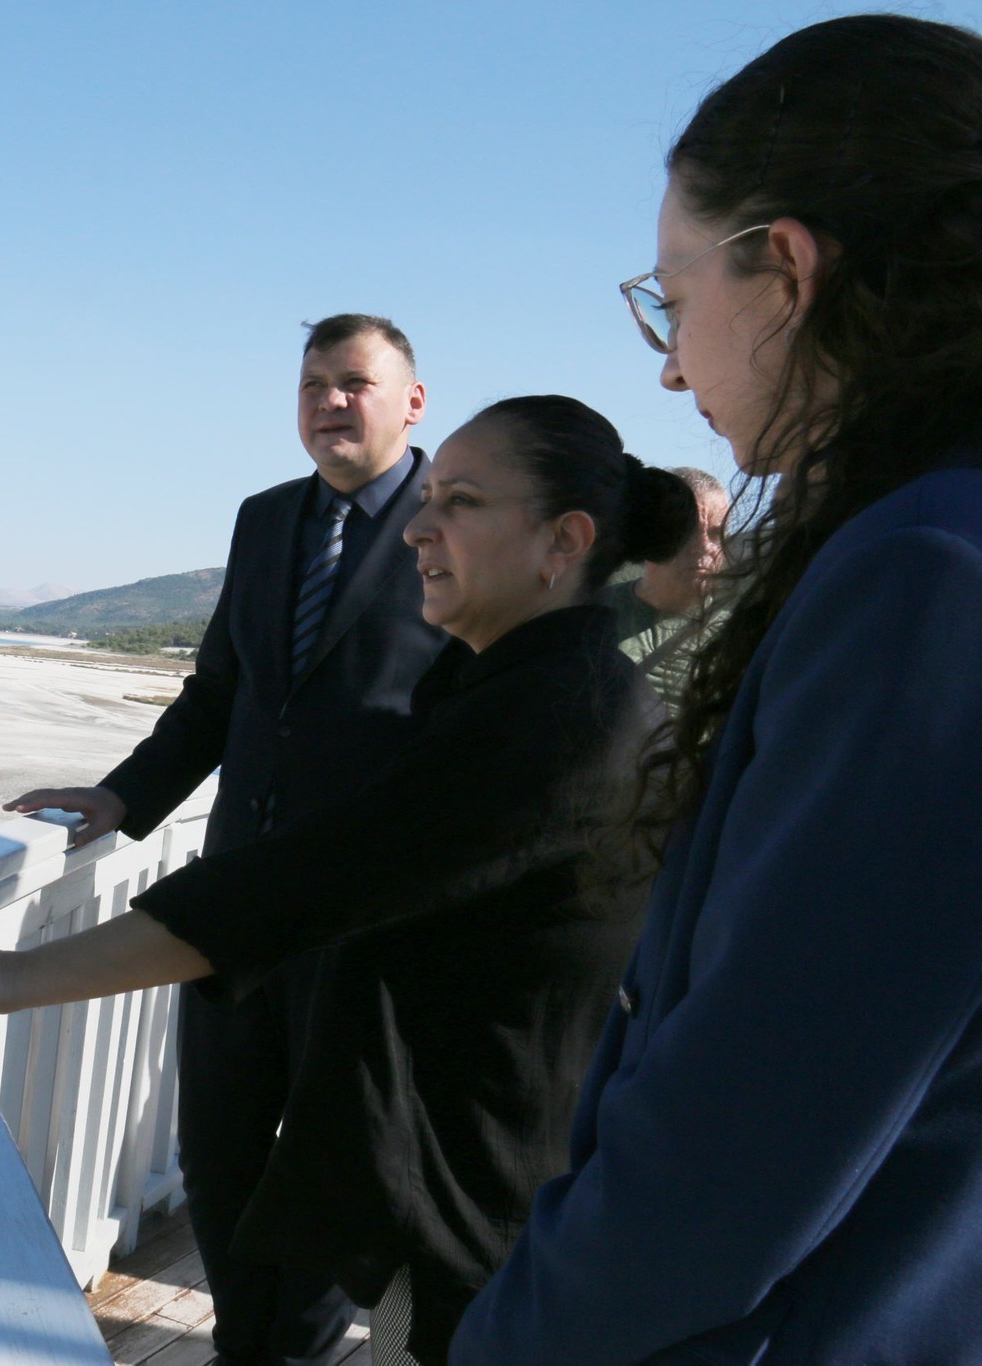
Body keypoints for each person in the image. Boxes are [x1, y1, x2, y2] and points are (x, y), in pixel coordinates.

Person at [0, 396, 699, 1364]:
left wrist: (9, 976)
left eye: (461, 503)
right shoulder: (529, 688)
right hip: (482, 1208)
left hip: (488, 1232)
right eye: (427, 499)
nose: (419, 531)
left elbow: (305, 881)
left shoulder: (558, 720)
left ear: (562, 542)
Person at [452, 15, 982, 1362]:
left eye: (672, 301)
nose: (673, 366)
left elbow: (731, 1159)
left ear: (788, 268)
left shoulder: (929, 573)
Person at [3, 314, 449, 1364]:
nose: (328, 402)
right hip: (232, 911)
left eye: (353, 383)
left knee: (331, 1182)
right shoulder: (264, 519)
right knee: (221, 1161)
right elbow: (218, 697)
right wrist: (120, 798)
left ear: (411, 402)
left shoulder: (457, 521)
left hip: (364, 921)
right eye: (310, 384)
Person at [600, 466, 731, 709]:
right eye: (689, 531)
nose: (703, 547)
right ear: (654, 531)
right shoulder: (591, 613)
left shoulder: (736, 638)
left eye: (715, 534)